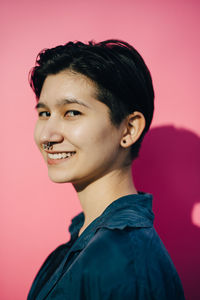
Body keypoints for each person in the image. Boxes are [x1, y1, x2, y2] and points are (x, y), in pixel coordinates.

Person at [27, 39, 185, 300]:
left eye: (72, 112)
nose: (47, 135)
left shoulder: (124, 262)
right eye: (44, 114)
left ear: (129, 129)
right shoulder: (85, 242)